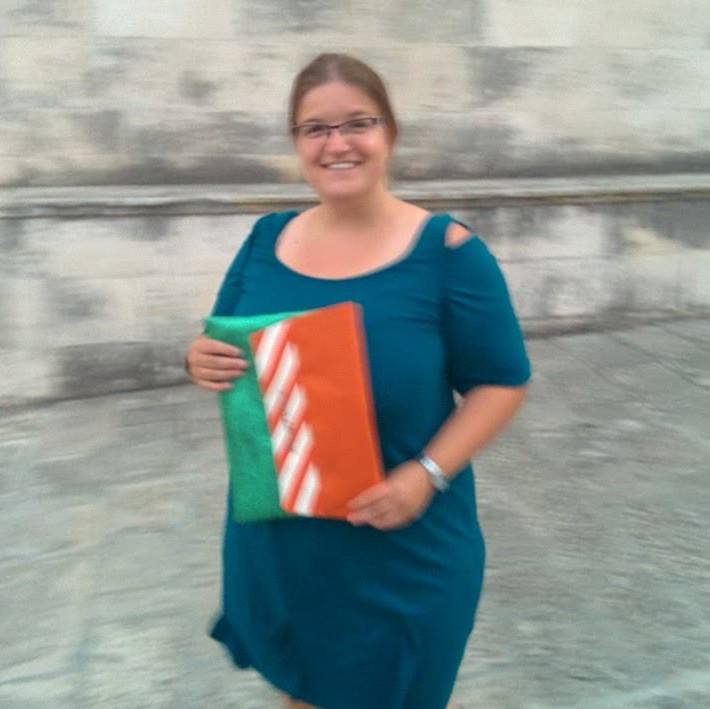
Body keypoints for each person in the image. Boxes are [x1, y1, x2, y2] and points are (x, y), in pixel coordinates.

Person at [185, 53, 531, 709]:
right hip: (282, 546)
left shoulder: (448, 254)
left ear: (389, 133)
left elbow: (502, 382)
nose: (337, 143)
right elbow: (223, 341)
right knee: (303, 693)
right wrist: (197, 359)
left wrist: (426, 474)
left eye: (357, 123)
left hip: (400, 548)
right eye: (315, 128)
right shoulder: (265, 239)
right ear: (296, 143)